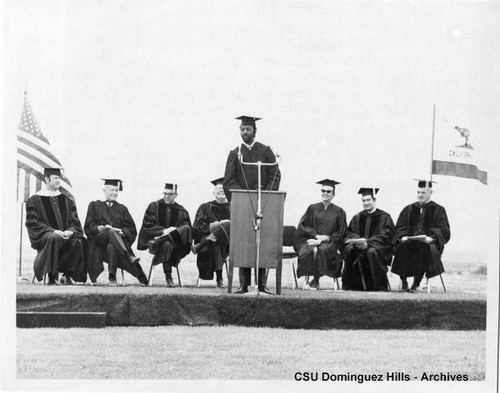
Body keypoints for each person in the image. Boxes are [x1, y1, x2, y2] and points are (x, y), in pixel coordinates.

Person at [223, 115, 280, 294]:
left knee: (262, 242)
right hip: (242, 205)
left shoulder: (265, 151)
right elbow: (228, 180)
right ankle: (243, 285)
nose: (245, 132)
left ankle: (262, 284)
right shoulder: (235, 153)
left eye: (248, 129)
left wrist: (267, 194)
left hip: (263, 202)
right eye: (242, 129)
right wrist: (241, 195)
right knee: (244, 242)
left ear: (255, 130)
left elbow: (275, 174)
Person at [25, 167, 86, 285]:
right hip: (45, 236)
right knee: (54, 237)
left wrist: (70, 231)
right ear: (47, 179)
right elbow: (32, 223)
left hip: (64, 235)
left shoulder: (67, 200)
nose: (58, 181)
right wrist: (53, 231)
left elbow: (75, 223)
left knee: (79, 240)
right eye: (55, 178)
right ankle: (51, 276)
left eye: (59, 178)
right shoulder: (34, 200)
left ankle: (67, 275)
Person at [84, 179, 148, 286]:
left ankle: (112, 278)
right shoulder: (95, 205)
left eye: (116, 190)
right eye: (112, 190)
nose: (115, 193)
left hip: (115, 244)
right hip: (99, 242)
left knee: (111, 246)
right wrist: (99, 228)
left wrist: (122, 232)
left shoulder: (122, 209)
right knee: (109, 230)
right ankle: (128, 257)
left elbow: (131, 229)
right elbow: (88, 226)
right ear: (104, 190)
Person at [391, 180, 451, 293]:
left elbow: (444, 230)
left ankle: (416, 283)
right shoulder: (408, 209)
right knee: (401, 247)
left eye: (423, 192)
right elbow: (399, 226)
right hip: (409, 242)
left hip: (429, 244)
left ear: (430, 192)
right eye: (418, 192)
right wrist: (402, 236)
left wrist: (432, 238)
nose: (420, 195)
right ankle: (404, 282)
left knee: (423, 248)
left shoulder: (439, 210)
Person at [294, 179, 347, 290]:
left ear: (333, 194)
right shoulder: (312, 208)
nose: (325, 193)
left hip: (329, 242)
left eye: (328, 191)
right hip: (313, 239)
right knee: (309, 250)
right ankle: (314, 280)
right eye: (323, 190)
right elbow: (304, 225)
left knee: (322, 250)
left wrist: (327, 238)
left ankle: (316, 280)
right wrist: (316, 236)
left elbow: (341, 232)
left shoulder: (339, 211)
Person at [138, 183, 192, 287]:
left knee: (186, 228)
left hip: (175, 245)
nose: (166, 196)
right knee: (167, 244)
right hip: (157, 245)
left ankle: (161, 239)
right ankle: (168, 277)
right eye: (165, 193)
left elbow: (187, 232)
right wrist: (164, 230)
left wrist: (173, 231)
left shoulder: (181, 210)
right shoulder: (154, 206)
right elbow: (147, 225)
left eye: (170, 194)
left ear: (176, 195)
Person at [342, 188, 395, 291]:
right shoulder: (357, 217)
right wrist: (357, 241)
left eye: (368, 200)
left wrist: (368, 243)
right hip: (359, 247)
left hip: (376, 248)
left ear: (374, 200)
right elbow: (351, 232)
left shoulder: (384, 217)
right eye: (363, 200)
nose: (366, 203)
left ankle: (378, 287)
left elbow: (385, 235)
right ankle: (352, 287)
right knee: (349, 250)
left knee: (371, 252)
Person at [191, 177, 230, 288]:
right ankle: (219, 278)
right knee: (217, 243)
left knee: (228, 226)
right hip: (212, 241)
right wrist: (219, 224)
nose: (221, 190)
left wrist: (223, 225)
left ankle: (198, 246)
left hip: (229, 242)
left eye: (223, 188)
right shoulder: (205, 207)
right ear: (213, 192)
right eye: (218, 188)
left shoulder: (233, 206)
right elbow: (198, 227)